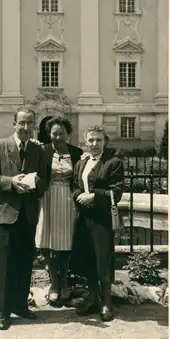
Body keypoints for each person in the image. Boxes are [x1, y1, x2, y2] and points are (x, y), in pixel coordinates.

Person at [0, 107, 48, 331]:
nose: (26, 127)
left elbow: (44, 182)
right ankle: (2, 312)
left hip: (28, 215)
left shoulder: (37, 150)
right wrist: (11, 182)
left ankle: (20, 305)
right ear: (14, 123)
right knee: (4, 266)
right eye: (22, 123)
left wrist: (34, 182)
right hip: (5, 215)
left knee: (23, 264)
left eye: (30, 123)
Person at [71, 125, 124, 322]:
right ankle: (92, 298)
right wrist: (79, 196)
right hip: (84, 218)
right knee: (87, 258)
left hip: (102, 219)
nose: (94, 144)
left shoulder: (113, 163)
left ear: (105, 142)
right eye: (91, 140)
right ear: (85, 142)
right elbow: (74, 186)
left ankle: (106, 302)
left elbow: (116, 192)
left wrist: (93, 196)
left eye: (98, 140)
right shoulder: (81, 163)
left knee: (103, 259)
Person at [35, 117, 83, 304]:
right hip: (47, 198)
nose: (58, 137)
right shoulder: (43, 151)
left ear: (68, 134)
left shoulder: (77, 153)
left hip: (68, 200)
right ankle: (54, 282)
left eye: (61, 133)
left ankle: (64, 282)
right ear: (49, 134)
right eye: (54, 133)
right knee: (45, 240)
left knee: (67, 241)